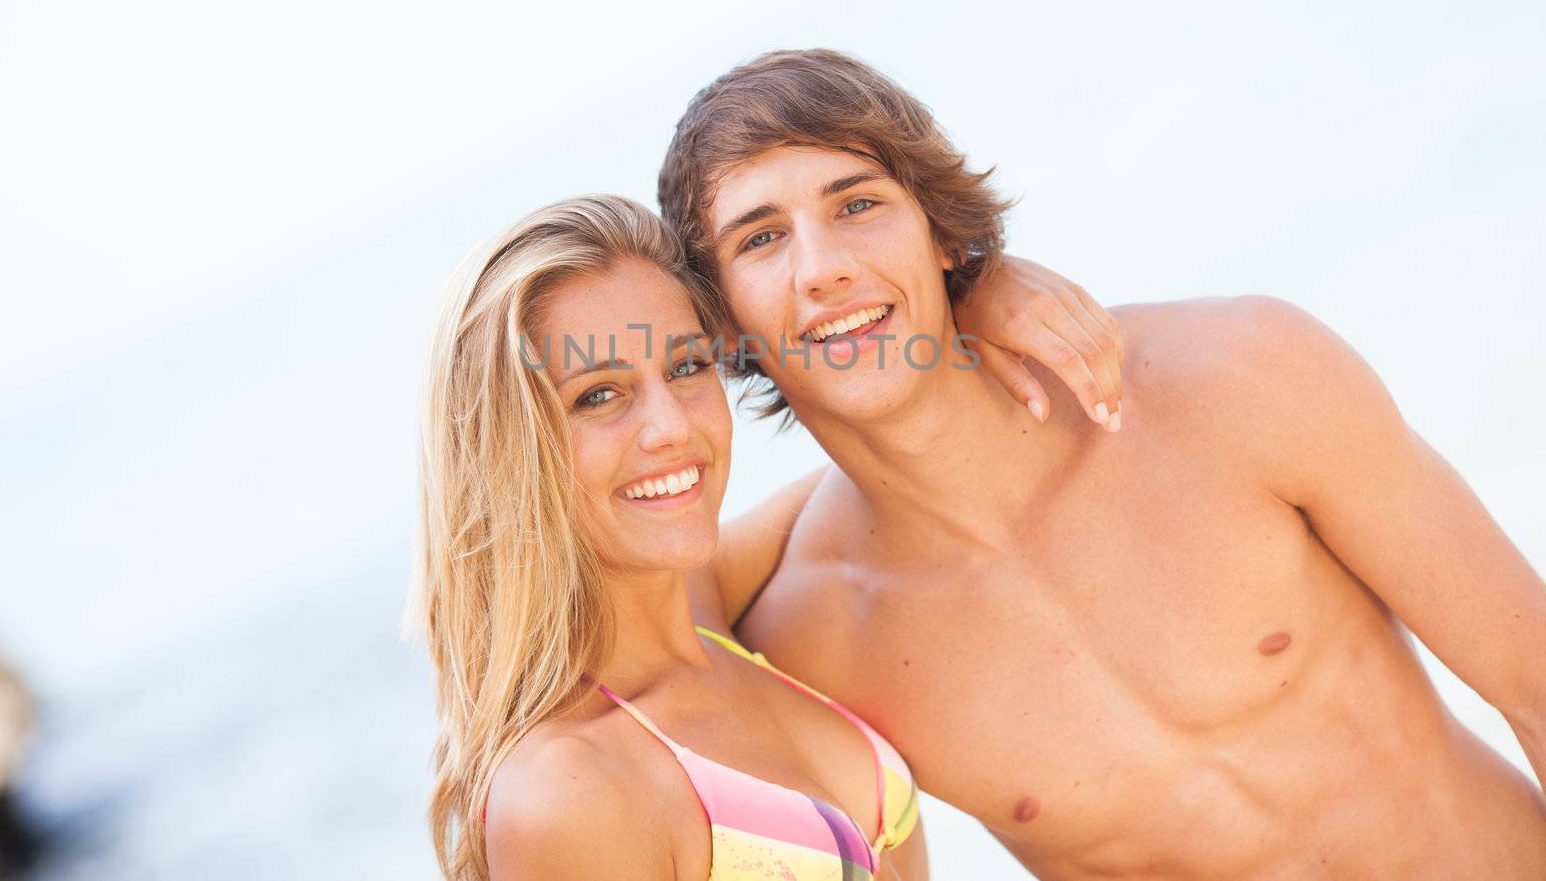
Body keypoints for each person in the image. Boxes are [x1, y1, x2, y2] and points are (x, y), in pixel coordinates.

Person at [657, 48, 1546, 878]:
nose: (824, 269)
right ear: (722, 322)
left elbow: (1531, 676)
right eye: (760, 239)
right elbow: (600, 628)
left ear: (939, 231)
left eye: (858, 205)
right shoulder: (805, 636)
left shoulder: (1238, 376)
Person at [407, 194, 1125, 880]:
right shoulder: (566, 790)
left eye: (687, 366)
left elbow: (914, 468)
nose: (672, 427)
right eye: (599, 395)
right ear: (505, 450)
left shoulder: (702, 611)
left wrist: (972, 293)